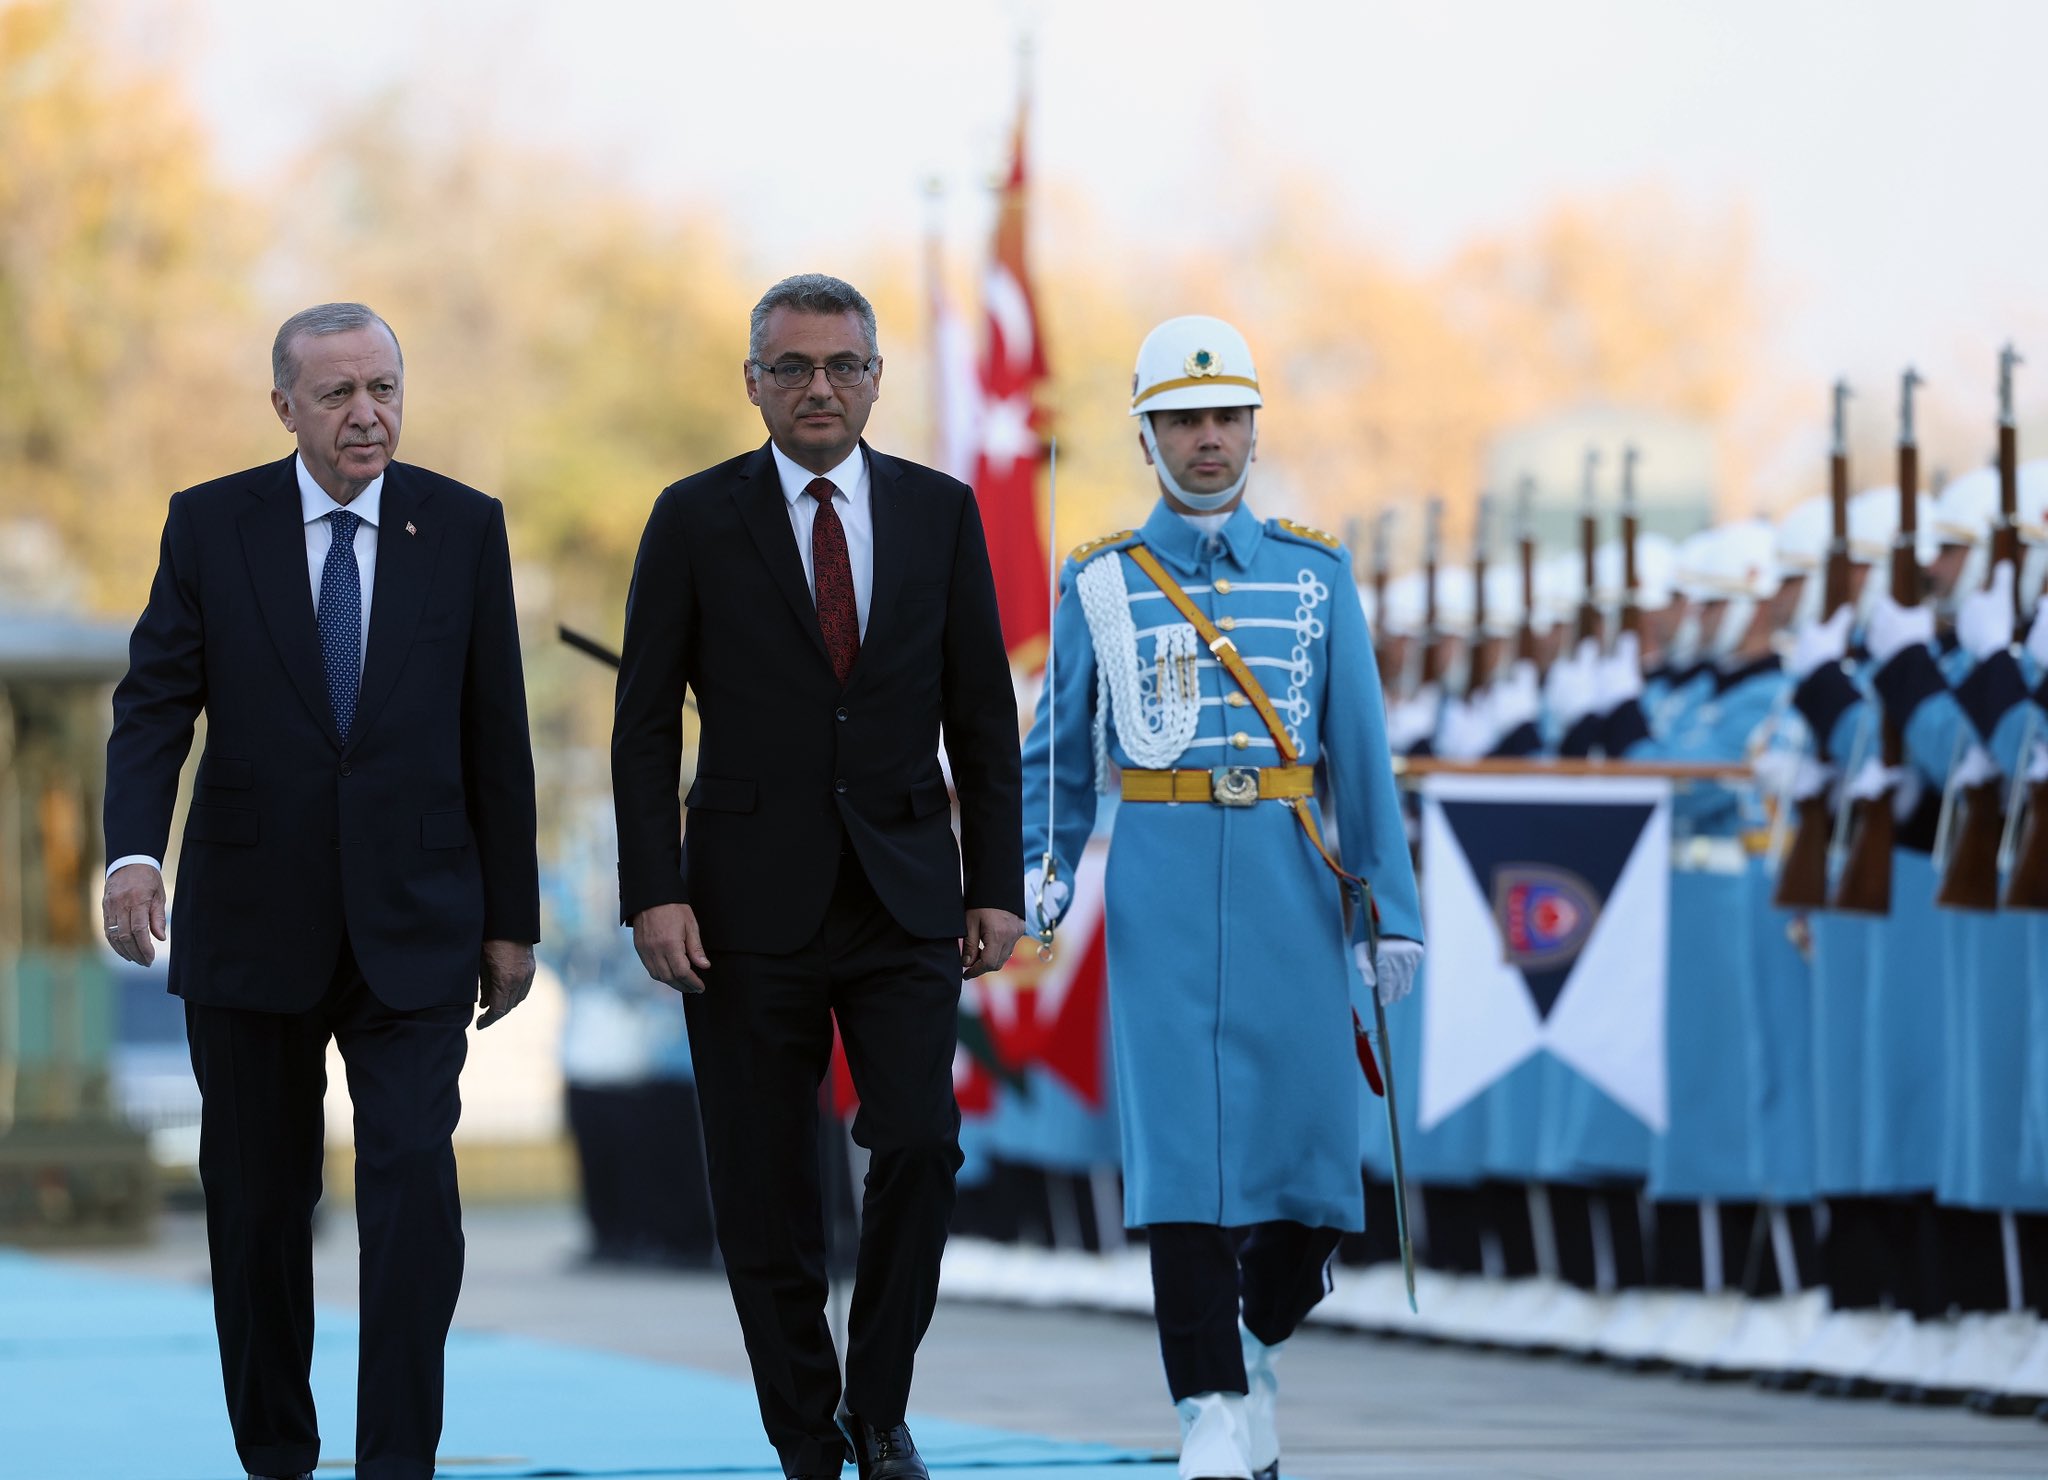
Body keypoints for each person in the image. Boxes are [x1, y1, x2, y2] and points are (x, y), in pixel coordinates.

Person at [101, 302, 540, 1480]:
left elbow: (494, 729)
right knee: (255, 1206)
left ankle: (395, 1463)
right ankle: (278, 1458)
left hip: (415, 925)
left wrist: (512, 920)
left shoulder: (459, 525)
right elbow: (153, 707)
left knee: (411, 1194)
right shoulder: (209, 525)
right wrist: (133, 853)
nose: (369, 413)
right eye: (340, 393)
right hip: (251, 924)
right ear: (284, 404)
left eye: (385, 388)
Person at [610, 273, 1024, 1480]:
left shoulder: (940, 514)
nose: (817, 388)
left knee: (918, 1143)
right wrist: (654, 888)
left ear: (875, 379)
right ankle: (804, 1430)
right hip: (738, 906)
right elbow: (642, 724)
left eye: (841, 366)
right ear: (752, 383)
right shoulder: (691, 517)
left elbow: (981, 718)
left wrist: (993, 882)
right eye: (790, 367)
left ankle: (877, 1402)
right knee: (762, 1184)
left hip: (904, 893)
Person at [1021, 315, 1422, 1480]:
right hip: (1157, 876)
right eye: (1183, 420)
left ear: (1252, 426)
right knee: (1181, 1163)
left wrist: (1387, 904)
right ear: (1144, 435)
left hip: (1288, 882)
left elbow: (1360, 753)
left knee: (1310, 1162)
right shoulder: (1100, 580)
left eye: (1225, 417)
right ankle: (1206, 1404)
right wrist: (1041, 865)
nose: (1207, 439)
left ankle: (1254, 1336)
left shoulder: (1314, 575)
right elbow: (1054, 751)